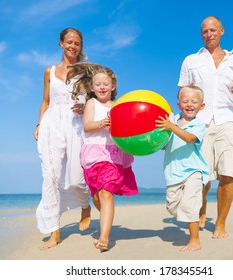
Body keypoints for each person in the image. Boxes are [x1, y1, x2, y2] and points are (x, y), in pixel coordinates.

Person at [178, 16, 233, 238]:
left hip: (228, 120)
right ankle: (201, 209)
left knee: (228, 174)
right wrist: (181, 123)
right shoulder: (191, 60)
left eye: (212, 30)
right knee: (202, 176)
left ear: (221, 31)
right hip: (200, 123)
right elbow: (181, 94)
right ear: (201, 34)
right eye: (204, 31)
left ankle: (220, 223)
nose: (208, 34)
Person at [66, 63, 138, 252]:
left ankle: (104, 237)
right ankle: (106, 216)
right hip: (92, 154)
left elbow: (127, 128)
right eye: (98, 84)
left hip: (112, 153)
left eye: (106, 83)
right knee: (97, 196)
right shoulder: (91, 103)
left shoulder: (118, 106)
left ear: (113, 86)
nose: (102, 87)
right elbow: (88, 125)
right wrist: (102, 123)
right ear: (92, 88)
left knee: (106, 193)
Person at [33, 28, 91, 249]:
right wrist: (39, 124)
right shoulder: (49, 71)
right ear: (61, 44)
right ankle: (53, 231)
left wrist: (85, 106)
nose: (72, 46)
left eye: (77, 43)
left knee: (77, 176)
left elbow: (99, 97)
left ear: (80, 46)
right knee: (51, 176)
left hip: (76, 125)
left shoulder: (87, 71)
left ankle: (85, 205)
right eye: (69, 42)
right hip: (52, 125)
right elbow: (45, 101)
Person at [156, 86, 209, 252]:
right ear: (179, 105)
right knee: (172, 207)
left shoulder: (198, 125)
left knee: (189, 206)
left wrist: (171, 127)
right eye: (185, 101)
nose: (190, 104)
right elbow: (165, 146)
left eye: (194, 101)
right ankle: (192, 213)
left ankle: (195, 241)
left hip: (194, 170)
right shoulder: (171, 121)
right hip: (173, 173)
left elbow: (190, 138)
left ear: (202, 106)